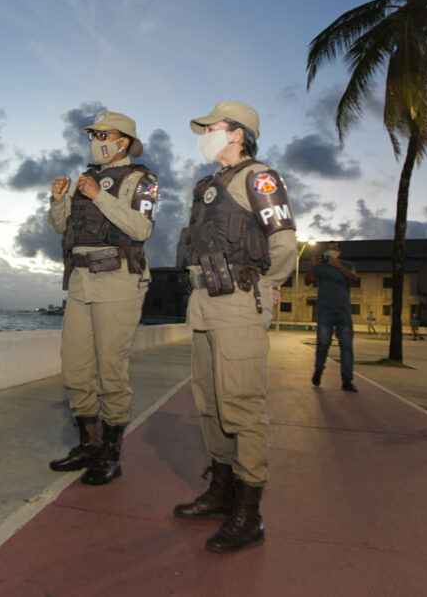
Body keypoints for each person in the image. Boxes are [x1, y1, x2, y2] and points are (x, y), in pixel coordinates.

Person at [173, 101, 296, 553]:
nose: (204, 132)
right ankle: (222, 491)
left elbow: (283, 243)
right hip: (205, 300)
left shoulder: (258, 177)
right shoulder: (208, 184)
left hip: (239, 299)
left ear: (237, 134)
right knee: (209, 401)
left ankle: (250, 512)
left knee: (241, 404)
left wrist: (264, 284)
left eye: (211, 126)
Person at [46, 111, 157, 486]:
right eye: (92, 134)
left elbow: (141, 227)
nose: (95, 139)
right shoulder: (85, 178)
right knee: (75, 369)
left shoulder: (143, 180)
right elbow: (61, 226)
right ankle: (88, 445)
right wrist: (58, 200)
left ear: (122, 140)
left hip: (118, 281)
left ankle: (111, 454)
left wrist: (101, 197)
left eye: (102, 133)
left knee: (111, 371)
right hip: (80, 282)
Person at [306, 242, 360, 392]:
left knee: (347, 346)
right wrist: (312, 266)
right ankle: (318, 370)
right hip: (324, 311)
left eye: (334, 248)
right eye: (329, 249)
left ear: (339, 252)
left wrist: (338, 266)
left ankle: (347, 380)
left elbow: (354, 279)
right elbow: (307, 281)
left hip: (343, 311)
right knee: (323, 343)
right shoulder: (320, 266)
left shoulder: (347, 264)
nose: (331, 251)